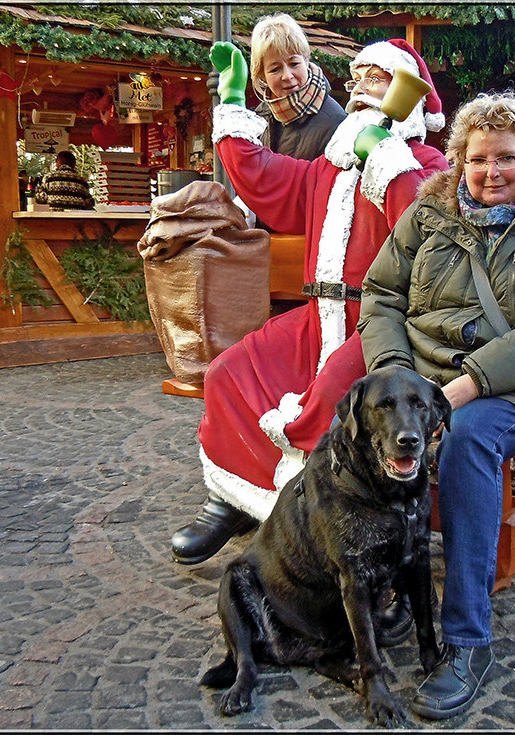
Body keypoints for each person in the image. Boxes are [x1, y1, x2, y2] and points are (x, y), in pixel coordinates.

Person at [357, 91, 515, 718]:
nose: (492, 172)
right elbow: (382, 292)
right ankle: (374, 583)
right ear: (459, 162)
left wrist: (465, 385)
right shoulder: (431, 213)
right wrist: (392, 377)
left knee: (467, 438)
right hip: (425, 376)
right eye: (478, 160)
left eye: (507, 158)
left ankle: (467, 639)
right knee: (355, 419)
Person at [170, 39, 449, 568]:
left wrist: (385, 156)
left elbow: (425, 233)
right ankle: (233, 497)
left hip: (385, 324)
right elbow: (263, 175)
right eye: (357, 78)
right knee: (229, 372)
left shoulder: (426, 165)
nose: (360, 89)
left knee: (329, 399)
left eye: (375, 79)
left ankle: (326, 523)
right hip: (320, 319)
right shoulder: (328, 169)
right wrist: (232, 99)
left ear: (406, 95)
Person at [250, 13, 346, 162]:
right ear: (262, 74)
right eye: (275, 69)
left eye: (294, 64)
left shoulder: (335, 121)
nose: (287, 76)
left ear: (306, 60)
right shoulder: (259, 118)